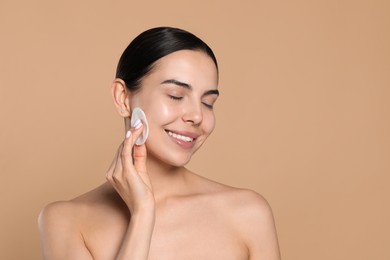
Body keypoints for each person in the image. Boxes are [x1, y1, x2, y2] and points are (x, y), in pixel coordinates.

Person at [38, 27, 281, 260]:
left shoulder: (248, 213)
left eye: (208, 102)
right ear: (123, 98)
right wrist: (142, 215)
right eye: (176, 95)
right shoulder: (66, 222)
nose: (196, 116)